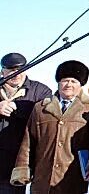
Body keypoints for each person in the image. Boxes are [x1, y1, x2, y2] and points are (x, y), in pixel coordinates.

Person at [11, 60, 89, 193]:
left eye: (74, 81)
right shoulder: (41, 108)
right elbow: (28, 142)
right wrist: (23, 169)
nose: (68, 85)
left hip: (72, 178)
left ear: (81, 84)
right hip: (42, 179)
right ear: (58, 82)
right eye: (65, 80)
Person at [0, 53, 52, 194]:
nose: (16, 74)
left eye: (20, 69)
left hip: (19, 162)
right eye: (11, 70)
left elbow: (45, 119)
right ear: (2, 71)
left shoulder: (41, 91)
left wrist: (18, 108)